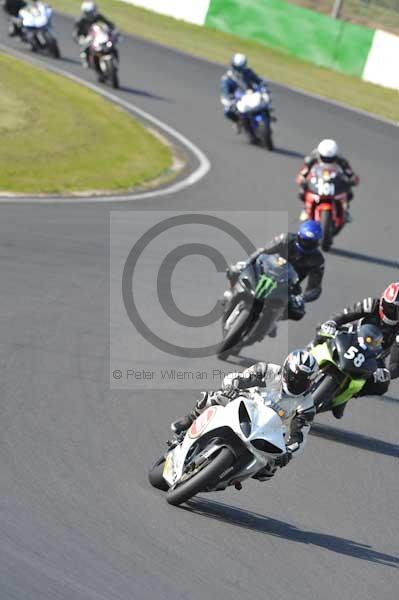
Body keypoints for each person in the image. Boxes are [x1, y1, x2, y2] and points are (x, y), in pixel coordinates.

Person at [171, 350, 319, 481]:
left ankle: (233, 474)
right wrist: (231, 387)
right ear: (286, 370)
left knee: (269, 471)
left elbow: (299, 436)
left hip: (269, 431)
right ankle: (191, 418)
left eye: (303, 382)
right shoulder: (268, 371)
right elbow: (239, 378)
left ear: (311, 383)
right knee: (216, 397)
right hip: (245, 405)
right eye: (295, 378)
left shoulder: (306, 405)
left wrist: (289, 452)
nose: (297, 383)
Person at [314, 282, 399, 418]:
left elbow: (396, 362)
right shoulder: (371, 304)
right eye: (392, 308)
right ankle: (300, 361)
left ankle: (347, 396)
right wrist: (332, 323)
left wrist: (387, 372)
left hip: (374, 357)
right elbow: (345, 314)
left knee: (382, 385)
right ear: (383, 302)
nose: (395, 313)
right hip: (349, 336)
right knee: (321, 331)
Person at [226, 220, 324, 335]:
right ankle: (231, 293)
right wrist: (247, 262)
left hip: (288, 286)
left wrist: (302, 298)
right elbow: (263, 250)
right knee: (234, 271)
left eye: (311, 243)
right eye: (305, 241)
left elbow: (315, 287)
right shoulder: (286, 239)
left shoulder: (318, 260)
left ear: (317, 243)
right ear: (299, 236)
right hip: (266, 271)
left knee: (297, 312)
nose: (307, 245)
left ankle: (272, 321)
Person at [296, 139, 359, 221]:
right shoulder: (312, 159)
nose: (327, 160)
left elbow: (351, 174)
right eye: (324, 158)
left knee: (349, 192)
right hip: (317, 182)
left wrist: (352, 180)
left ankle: (345, 210)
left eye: (330, 158)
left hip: (334, 183)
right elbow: (303, 173)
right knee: (302, 191)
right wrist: (301, 179)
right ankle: (305, 209)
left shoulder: (342, 161)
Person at [220, 53, 274, 140]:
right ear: (233, 65)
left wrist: (263, 86)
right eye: (238, 67)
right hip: (239, 100)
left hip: (252, 94)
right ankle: (238, 123)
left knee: (266, 102)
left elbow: (258, 80)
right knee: (228, 111)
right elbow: (225, 93)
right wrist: (229, 101)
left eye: (241, 67)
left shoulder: (248, 72)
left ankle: (267, 119)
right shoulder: (227, 78)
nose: (240, 69)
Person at [73, 2, 116, 71]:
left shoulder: (98, 16)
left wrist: (112, 29)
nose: (92, 13)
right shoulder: (81, 20)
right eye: (90, 12)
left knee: (111, 43)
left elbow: (108, 23)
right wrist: (79, 38)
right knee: (84, 48)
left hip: (98, 36)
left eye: (93, 11)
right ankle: (86, 60)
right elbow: (75, 32)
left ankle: (112, 57)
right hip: (87, 37)